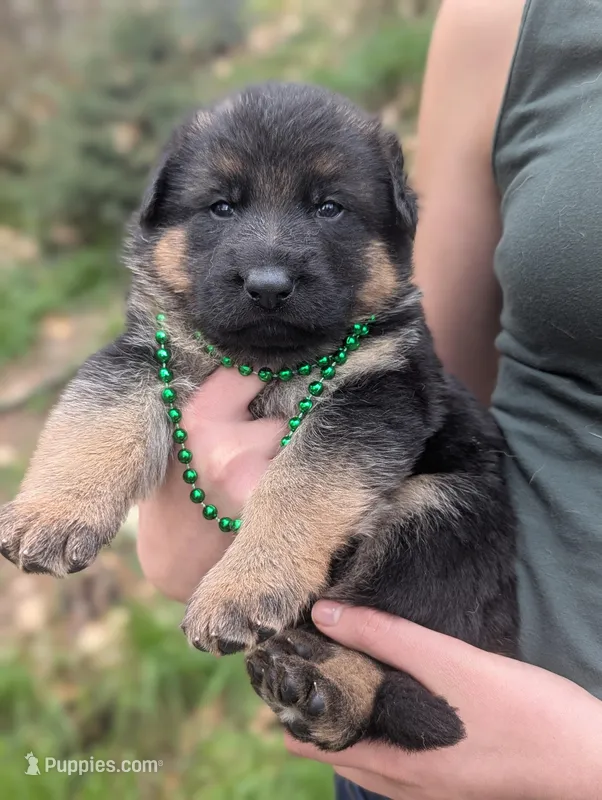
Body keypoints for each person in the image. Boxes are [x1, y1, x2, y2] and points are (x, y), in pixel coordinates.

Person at [137, 0, 602, 796]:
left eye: (326, 208)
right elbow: (426, 383)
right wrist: (205, 497)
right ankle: (352, 684)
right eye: (223, 206)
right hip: (434, 714)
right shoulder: (509, 22)